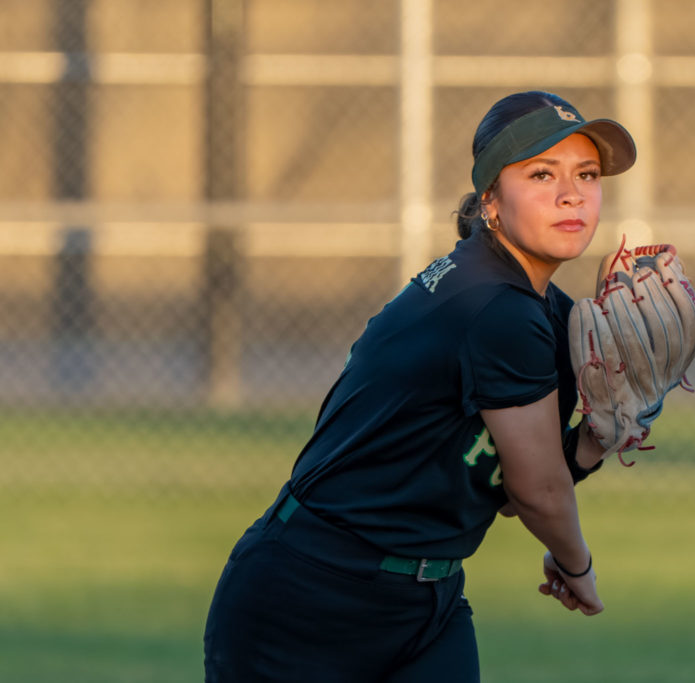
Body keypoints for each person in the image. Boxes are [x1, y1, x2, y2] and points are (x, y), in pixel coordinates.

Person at [203, 91, 637, 681]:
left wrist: (594, 439)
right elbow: (537, 492)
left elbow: (508, 492)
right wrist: (575, 565)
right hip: (310, 600)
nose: (572, 194)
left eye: (586, 174)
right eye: (542, 173)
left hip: (427, 599)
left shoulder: (541, 308)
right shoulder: (496, 308)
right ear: (490, 199)